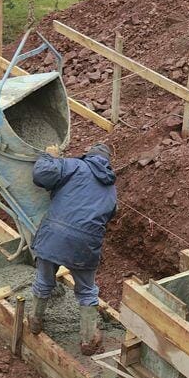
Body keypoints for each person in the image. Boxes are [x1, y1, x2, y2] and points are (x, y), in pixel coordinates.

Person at [28, 142, 117, 356]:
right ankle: (87, 340)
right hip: (85, 245)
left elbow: (42, 176)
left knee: (44, 280)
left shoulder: (75, 166)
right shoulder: (111, 189)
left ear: (88, 156)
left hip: (54, 236)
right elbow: (109, 215)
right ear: (107, 164)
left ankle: (34, 321)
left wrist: (51, 156)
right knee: (87, 291)